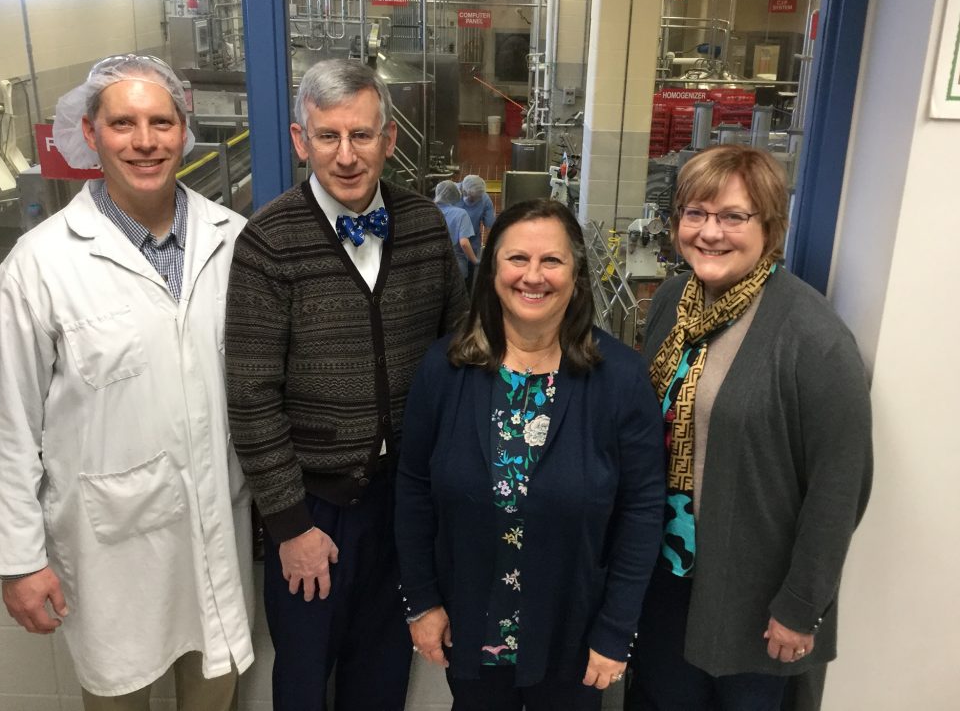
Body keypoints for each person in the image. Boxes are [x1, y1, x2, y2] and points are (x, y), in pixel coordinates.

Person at [0, 54, 254, 709]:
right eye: (123, 123)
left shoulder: (236, 242)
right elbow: (12, 428)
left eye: (162, 122)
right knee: (116, 696)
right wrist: (19, 561)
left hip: (216, 531)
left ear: (184, 133)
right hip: (109, 551)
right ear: (91, 133)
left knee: (215, 693)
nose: (145, 140)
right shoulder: (42, 265)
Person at [224, 58, 468, 711]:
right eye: (327, 136)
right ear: (302, 141)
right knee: (303, 683)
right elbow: (250, 396)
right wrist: (290, 525)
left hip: (405, 507)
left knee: (382, 680)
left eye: (362, 135)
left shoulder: (424, 228)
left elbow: (460, 355)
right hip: (315, 514)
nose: (347, 155)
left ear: (390, 140)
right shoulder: (267, 243)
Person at [627, 145, 873, 711]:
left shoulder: (813, 338)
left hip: (753, 596)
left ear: (770, 227)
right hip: (665, 572)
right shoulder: (672, 300)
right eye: (695, 213)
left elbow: (839, 488)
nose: (710, 233)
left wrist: (800, 604)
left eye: (733, 217)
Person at [396, 199, 666, 711]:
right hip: (471, 624)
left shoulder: (621, 381)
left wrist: (616, 630)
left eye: (552, 261)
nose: (533, 276)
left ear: (577, 275)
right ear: (491, 269)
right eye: (518, 259)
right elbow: (412, 489)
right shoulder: (445, 370)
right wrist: (423, 602)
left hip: (574, 634)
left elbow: (642, 512)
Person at [434, 179, 479, 278]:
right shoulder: (461, 214)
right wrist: (475, 261)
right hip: (456, 267)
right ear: (454, 195)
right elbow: (464, 243)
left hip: (434, 268)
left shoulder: (428, 211)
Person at [458, 173, 496, 287]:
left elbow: (490, 225)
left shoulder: (484, 199)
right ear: (462, 190)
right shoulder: (451, 192)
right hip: (451, 244)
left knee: (468, 280)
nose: (471, 200)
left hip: (471, 244)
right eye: (469, 196)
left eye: (475, 198)